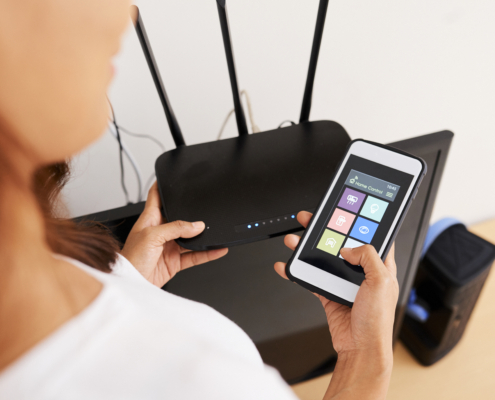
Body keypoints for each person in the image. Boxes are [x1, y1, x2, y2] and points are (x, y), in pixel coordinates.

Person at [0, 0, 399, 399]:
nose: (125, 12)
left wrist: (128, 283)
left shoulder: (37, 263)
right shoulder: (209, 383)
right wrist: (365, 355)